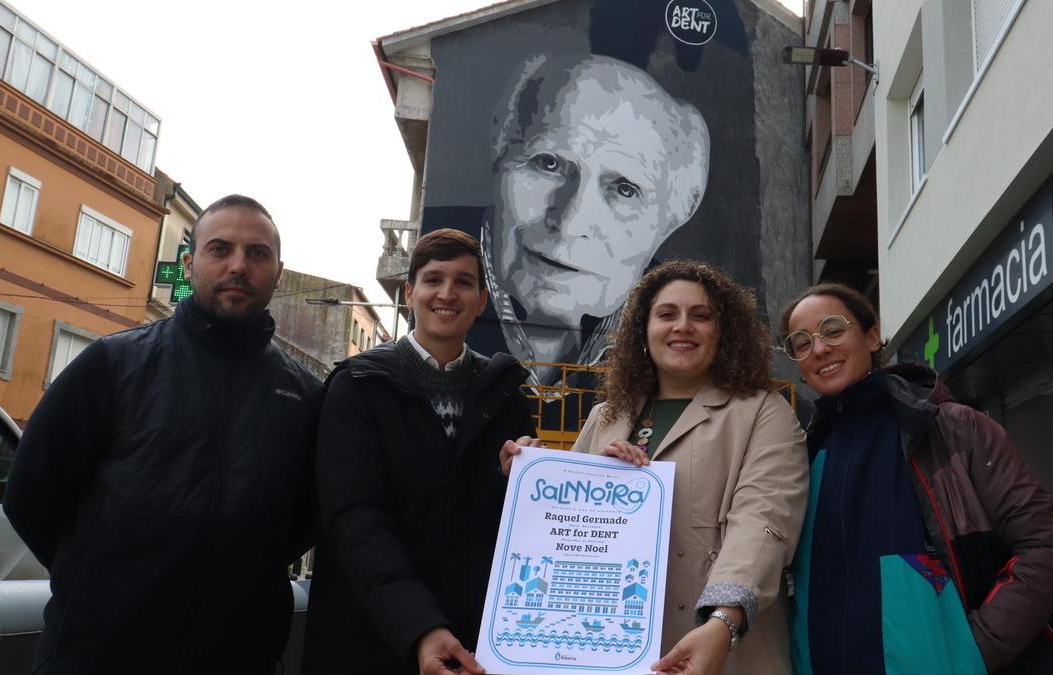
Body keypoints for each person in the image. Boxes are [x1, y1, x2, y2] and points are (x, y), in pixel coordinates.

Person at [2, 195, 322, 674]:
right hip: (97, 654)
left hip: (238, 657)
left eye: (257, 254)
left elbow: (305, 519)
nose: (239, 265)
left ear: (278, 272)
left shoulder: (304, 395)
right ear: (190, 264)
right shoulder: (114, 364)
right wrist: (98, 578)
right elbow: (32, 492)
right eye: (221, 249)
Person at [500, 260, 808, 675]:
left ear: (724, 332)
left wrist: (723, 622)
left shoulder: (764, 412)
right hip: (609, 652)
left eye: (701, 316)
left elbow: (763, 522)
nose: (683, 326)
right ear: (643, 331)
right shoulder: (606, 416)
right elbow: (567, 536)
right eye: (667, 314)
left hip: (723, 651)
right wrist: (532, 474)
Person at [779, 283, 1053, 674]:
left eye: (833, 330)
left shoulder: (952, 428)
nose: (819, 349)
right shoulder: (803, 454)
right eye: (801, 342)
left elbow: (1049, 549)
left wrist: (973, 652)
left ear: (871, 335)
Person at [304, 228, 537, 675]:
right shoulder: (357, 387)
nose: (447, 294)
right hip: (372, 639)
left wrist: (524, 482)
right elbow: (355, 520)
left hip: (475, 647)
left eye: (463, 282)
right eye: (433, 280)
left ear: (482, 300)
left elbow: (516, 532)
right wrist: (419, 626)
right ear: (410, 293)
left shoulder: (507, 395)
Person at [483, 54, 711, 387]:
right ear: (499, 152)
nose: (571, 222)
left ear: (672, 220)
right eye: (548, 163)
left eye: (624, 189)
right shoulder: (442, 297)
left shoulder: (680, 361)